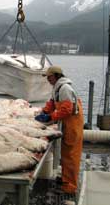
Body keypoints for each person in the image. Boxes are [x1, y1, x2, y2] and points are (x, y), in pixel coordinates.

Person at [35, 66, 84, 196]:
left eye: (50, 77)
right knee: (65, 155)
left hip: (73, 126)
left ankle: (70, 188)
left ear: (57, 76)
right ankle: (65, 180)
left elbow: (67, 109)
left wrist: (50, 117)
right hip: (66, 124)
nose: (48, 80)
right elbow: (52, 103)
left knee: (71, 156)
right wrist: (44, 112)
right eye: (47, 77)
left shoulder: (65, 88)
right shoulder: (57, 88)